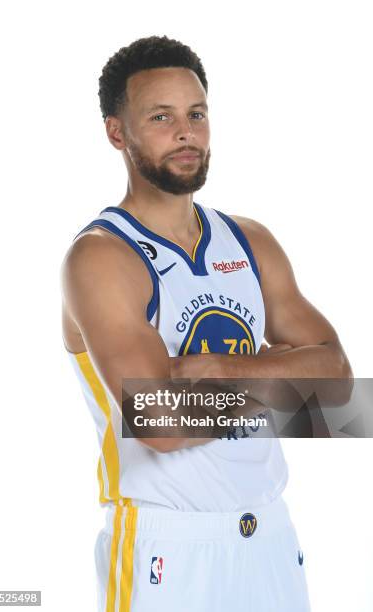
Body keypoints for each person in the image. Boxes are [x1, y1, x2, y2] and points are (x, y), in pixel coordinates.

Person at [61, 35, 352, 612]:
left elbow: (340, 387)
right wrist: (284, 379)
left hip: (272, 538)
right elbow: (162, 424)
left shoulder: (250, 240)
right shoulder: (101, 257)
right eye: (161, 117)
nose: (186, 132)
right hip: (168, 548)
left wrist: (217, 368)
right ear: (117, 132)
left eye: (196, 114)